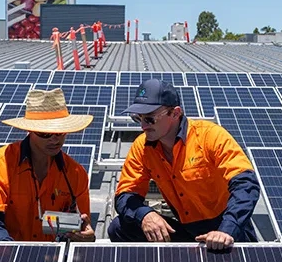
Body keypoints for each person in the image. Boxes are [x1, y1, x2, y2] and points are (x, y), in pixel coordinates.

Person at [109, 79, 260, 250]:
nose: (143, 126)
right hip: (186, 228)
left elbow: (245, 184)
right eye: (138, 118)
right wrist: (145, 215)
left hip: (225, 223)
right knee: (119, 227)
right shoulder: (142, 147)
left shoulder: (210, 136)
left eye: (150, 119)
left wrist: (227, 229)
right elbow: (125, 195)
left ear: (175, 113)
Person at [0, 88, 95, 242]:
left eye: (60, 133)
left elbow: (79, 225)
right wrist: (14, 252)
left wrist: (85, 237)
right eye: (45, 134)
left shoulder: (75, 173)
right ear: (30, 131)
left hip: (49, 255)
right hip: (5, 253)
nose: (54, 140)